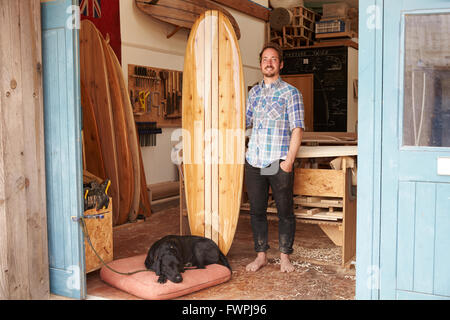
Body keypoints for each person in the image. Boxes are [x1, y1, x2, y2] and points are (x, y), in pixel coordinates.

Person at [245, 42, 304, 273]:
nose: (268, 62)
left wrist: (288, 161)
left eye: (273, 59)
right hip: (255, 161)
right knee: (257, 210)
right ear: (260, 64)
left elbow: (297, 128)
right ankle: (261, 256)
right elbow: (246, 123)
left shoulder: (291, 93)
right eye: (264, 59)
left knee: (284, 211)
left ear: (280, 64)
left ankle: (284, 258)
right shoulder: (254, 92)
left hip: (276, 161)